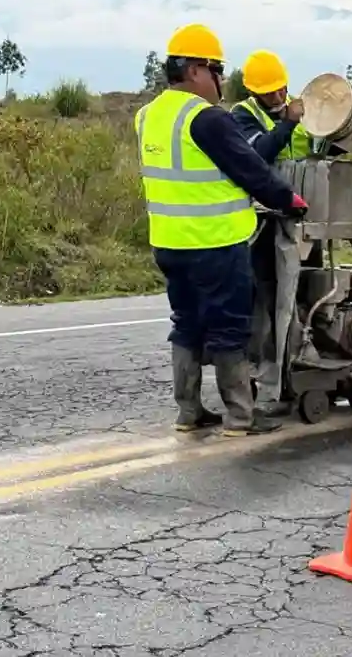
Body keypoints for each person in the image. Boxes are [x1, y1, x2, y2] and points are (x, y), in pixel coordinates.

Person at [134, 23, 309, 436]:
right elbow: (250, 170)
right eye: (216, 70)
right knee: (231, 326)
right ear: (194, 70)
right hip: (215, 243)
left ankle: (189, 413)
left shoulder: (146, 116)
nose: (220, 80)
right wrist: (290, 200)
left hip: (168, 244)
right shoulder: (206, 119)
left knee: (187, 323)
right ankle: (241, 417)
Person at [230, 49, 314, 162]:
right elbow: (257, 153)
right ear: (254, 94)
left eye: (281, 90)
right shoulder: (241, 113)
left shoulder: (300, 106)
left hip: (303, 178)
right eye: (269, 94)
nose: (278, 99)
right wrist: (288, 122)